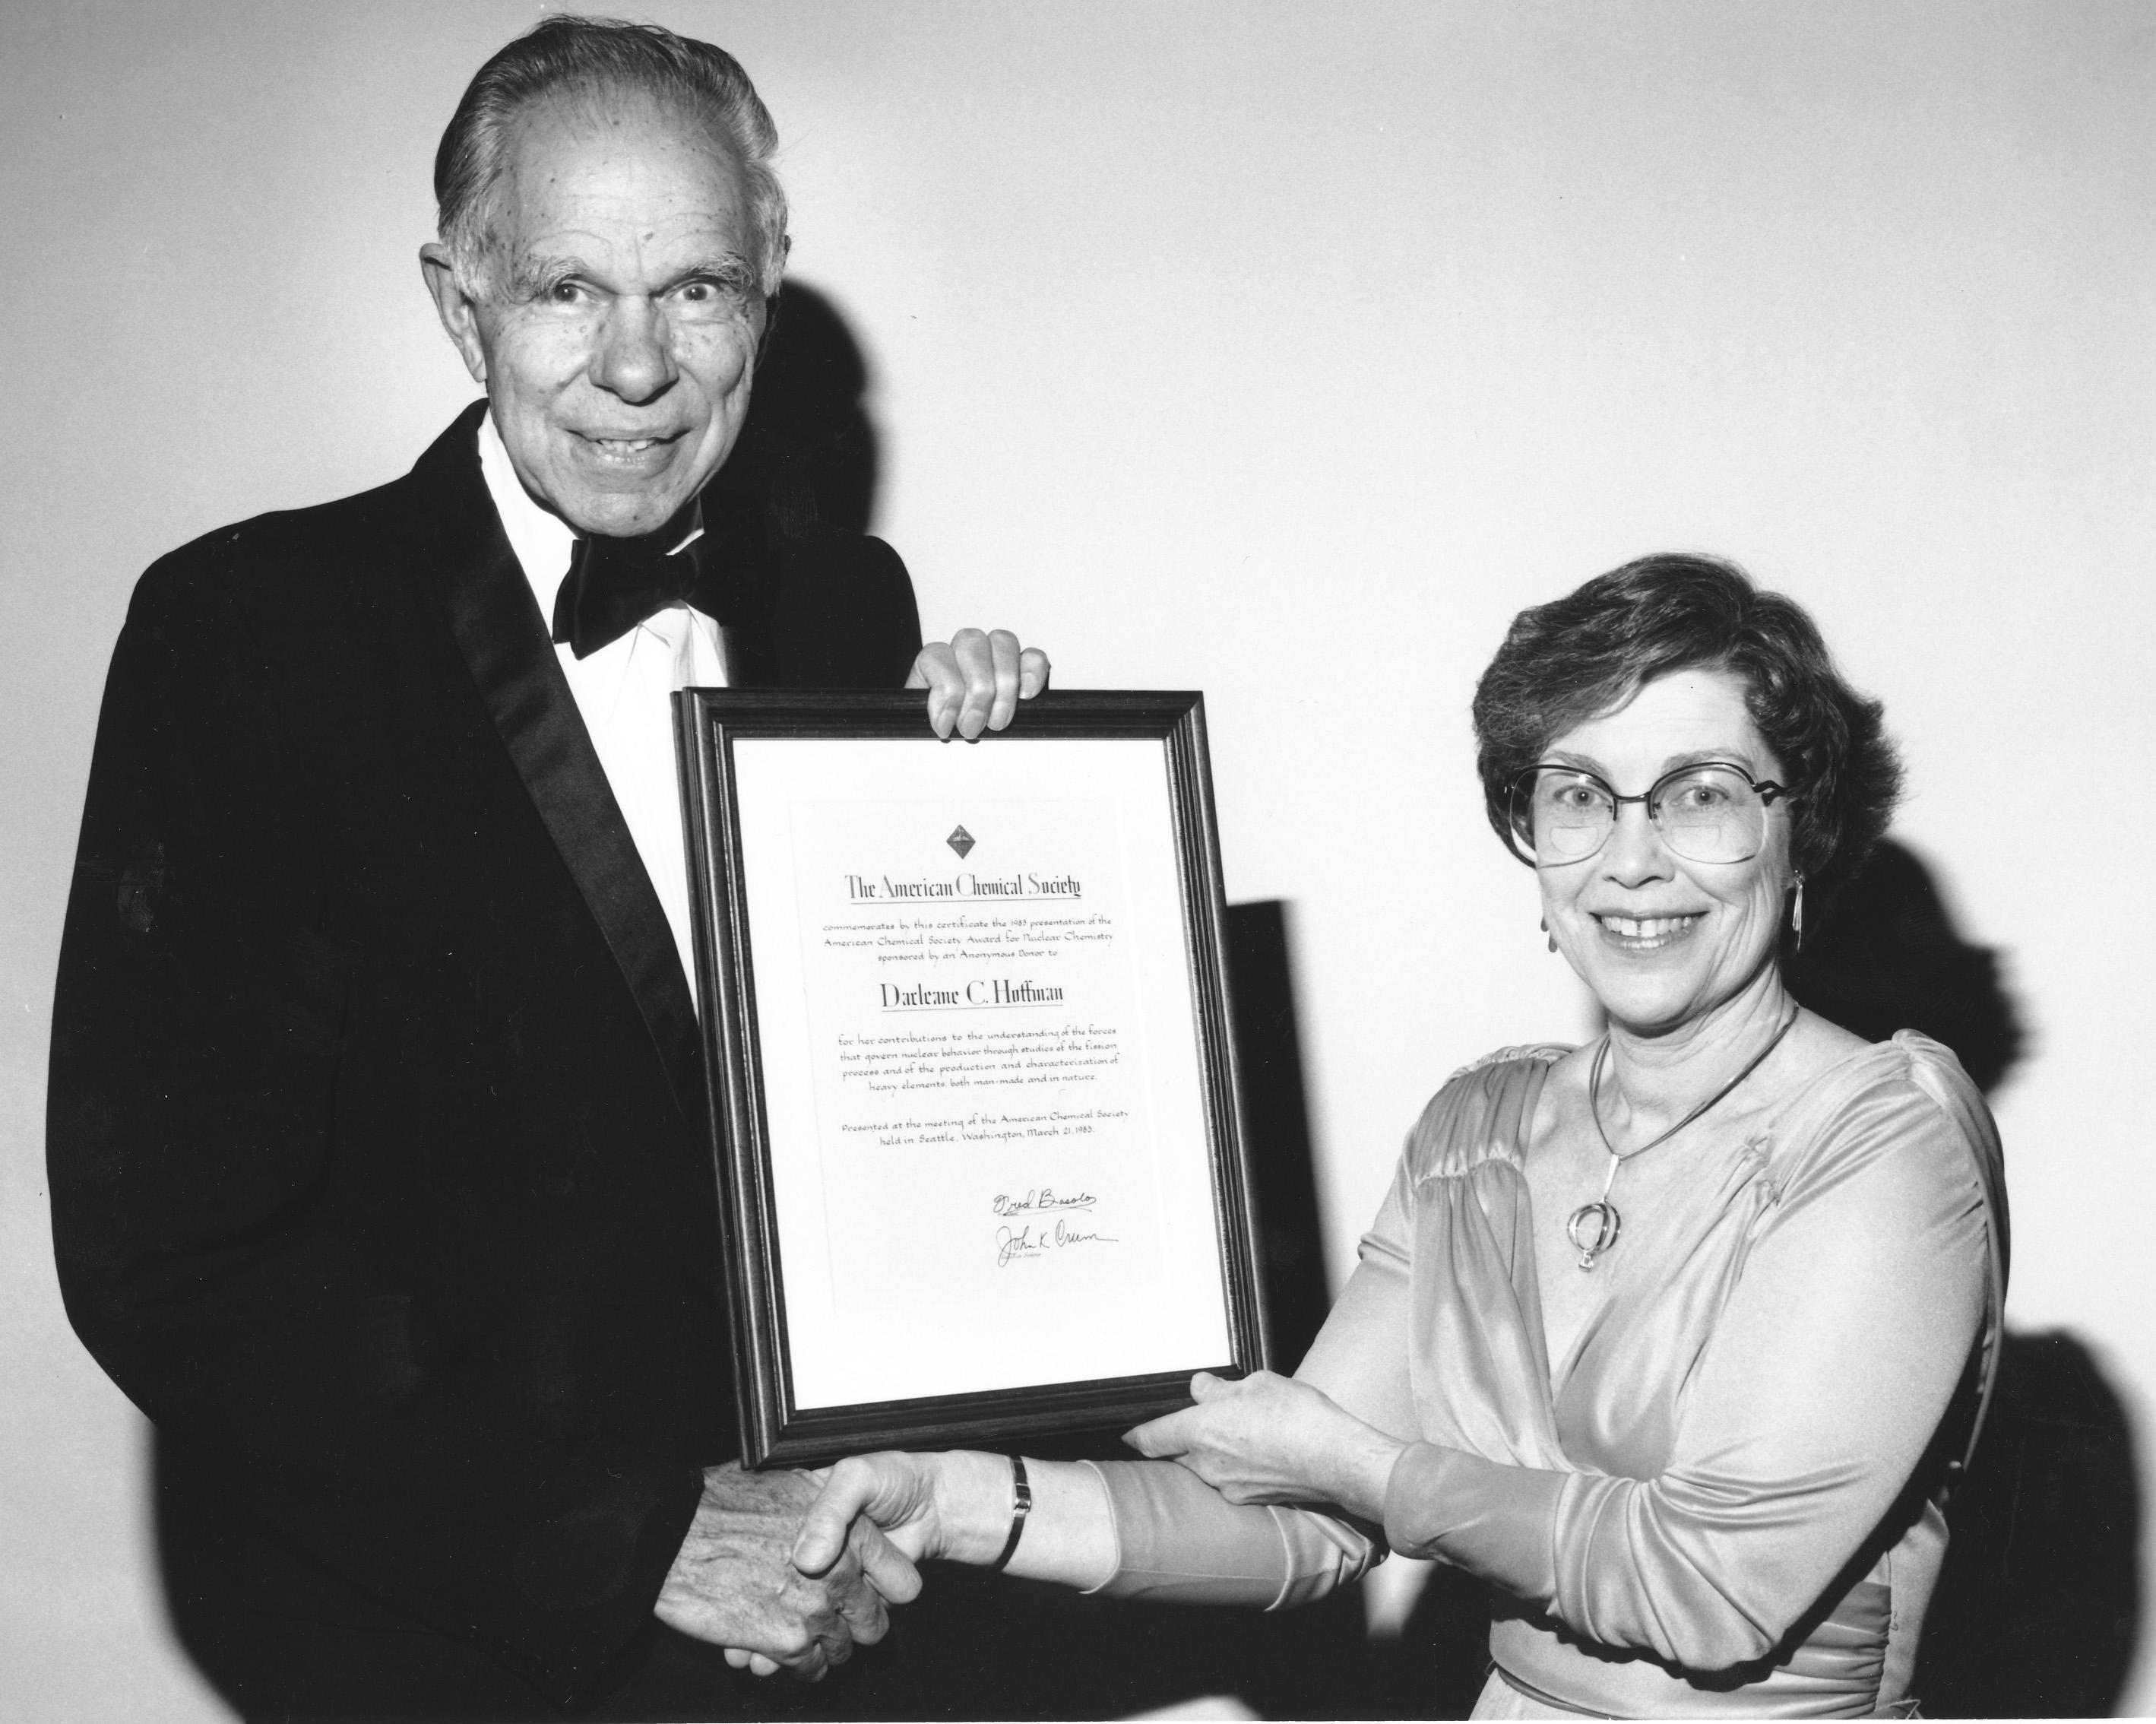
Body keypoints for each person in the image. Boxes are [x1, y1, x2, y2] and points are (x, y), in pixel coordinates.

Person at [47, 17, 1048, 1719]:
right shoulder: (244, 635)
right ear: (463, 304)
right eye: (568, 287)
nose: (639, 365)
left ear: (770, 292)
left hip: (832, 1619)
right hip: (446, 1650)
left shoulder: (843, 607)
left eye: (700, 290)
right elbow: (169, 1255)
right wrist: (634, 1530)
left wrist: (1012, 809)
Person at [794, 553, 2010, 1719]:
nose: (1631, 862)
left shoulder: (1885, 1138)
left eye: (1701, 795)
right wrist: (951, 1502)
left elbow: (1708, 1588)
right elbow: (1298, 1522)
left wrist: (1363, 1468)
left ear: (1802, 834)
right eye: (1578, 795)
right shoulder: (1474, 1131)